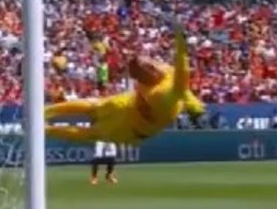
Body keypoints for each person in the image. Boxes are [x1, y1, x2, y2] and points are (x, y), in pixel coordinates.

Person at [45, 27, 203, 145]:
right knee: (94, 110)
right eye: (147, 67)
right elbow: (182, 79)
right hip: (129, 111)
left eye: (150, 63)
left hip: (131, 126)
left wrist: (195, 108)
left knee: (93, 125)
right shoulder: (164, 90)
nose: (154, 65)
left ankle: (45, 126)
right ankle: (45, 117)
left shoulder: (163, 89)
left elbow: (183, 86)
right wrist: (181, 46)